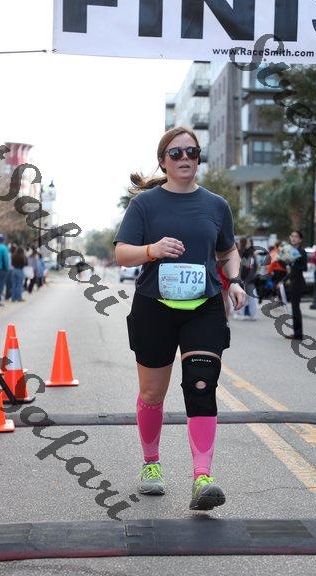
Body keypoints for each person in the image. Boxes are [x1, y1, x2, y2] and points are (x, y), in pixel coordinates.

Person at [114, 126, 246, 510]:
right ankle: (151, 464)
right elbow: (122, 253)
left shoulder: (216, 205)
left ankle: (202, 478)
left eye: (192, 152)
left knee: (201, 385)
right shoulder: (145, 205)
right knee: (152, 394)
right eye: (176, 153)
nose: (185, 158)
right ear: (163, 162)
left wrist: (235, 280)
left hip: (203, 306)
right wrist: (152, 250)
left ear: (199, 158)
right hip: (154, 306)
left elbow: (228, 250)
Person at [283, 231, 307, 340]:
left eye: (296, 236)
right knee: (294, 308)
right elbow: (290, 269)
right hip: (292, 281)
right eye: (292, 236)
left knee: (296, 308)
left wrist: (294, 263)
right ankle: (296, 332)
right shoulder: (291, 250)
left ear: (300, 239)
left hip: (298, 282)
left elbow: (304, 268)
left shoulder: (301, 251)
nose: (293, 238)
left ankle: (298, 333)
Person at [0, 233, 10, 307]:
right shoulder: (3, 248)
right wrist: (6, 268)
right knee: (0, 285)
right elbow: (6, 260)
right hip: (1, 269)